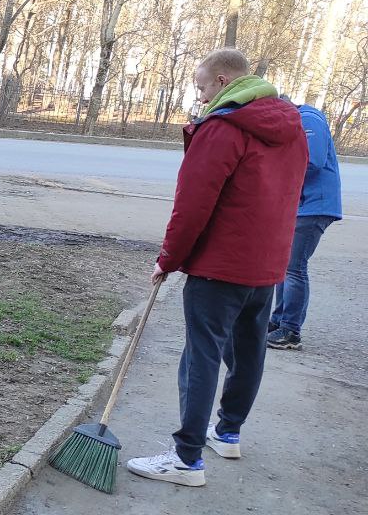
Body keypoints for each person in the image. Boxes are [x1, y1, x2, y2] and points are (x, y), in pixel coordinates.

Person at [127, 48, 307, 487]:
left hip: (220, 266)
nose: (201, 96)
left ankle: (186, 459)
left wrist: (169, 259)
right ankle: (227, 433)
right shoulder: (292, 127)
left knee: (200, 356)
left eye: (202, 86)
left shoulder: (222, 128)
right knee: (248, 350)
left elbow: (192, 204)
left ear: (224, 81)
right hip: (267, 266)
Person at [267, 100, 342, 350]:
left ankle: (290, 331)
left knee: (294, 267)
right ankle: (279, 322)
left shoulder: (308, 119)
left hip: (315, 205)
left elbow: (313, 160)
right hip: (303, 205)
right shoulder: (299, 119)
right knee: (285, 265)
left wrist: (276, 171)